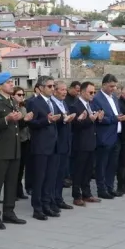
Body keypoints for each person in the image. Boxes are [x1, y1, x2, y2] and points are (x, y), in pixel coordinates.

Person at [0, 72, 30, 229]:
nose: (11, 84)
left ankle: (9, 212)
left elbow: (15, 126)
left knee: (11, 182)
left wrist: (22, 120)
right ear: (0, 86)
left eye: (12, 81)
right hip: (1, 149)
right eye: (8, 82)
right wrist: (6, 119)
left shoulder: (13, 101)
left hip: (15, 148)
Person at [26, 77, 62, 219]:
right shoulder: (34, 102)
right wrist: (47, 120)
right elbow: (32, 123)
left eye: (53, 86)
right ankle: (37, 208)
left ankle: (47, 204)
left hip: (53, 144)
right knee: (39, 177)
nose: (52, 88)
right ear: (40, 88)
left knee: (50, 177)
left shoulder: (52, 101)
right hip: (41, 145)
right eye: (49, 86)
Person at [91, 74, 125, 199]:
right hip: (104, 136)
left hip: (116, 135)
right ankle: (102, 189)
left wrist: (121, 116)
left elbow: (116, 114)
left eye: (115, 86)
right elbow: (99, 118)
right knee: (102, 164)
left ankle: (110, 187)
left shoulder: (114, 98)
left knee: (112, 164)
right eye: (111, 86)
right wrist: (115, 118)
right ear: (104, 84)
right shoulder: (97, 99)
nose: (114, 88)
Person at [70, 82, 100, 206]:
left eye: (94, 92)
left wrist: (98, 118)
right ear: (82, 92)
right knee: (79, 170)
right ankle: (77, 195)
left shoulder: (90, 105)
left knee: (88, 170)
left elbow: (91, 122)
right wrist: (90, 120)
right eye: (90, 92)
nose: (93, 94)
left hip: (91, 141)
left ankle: (87, 193)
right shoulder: (75, 106)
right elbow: (76, 125)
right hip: (80, 143)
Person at [51, 81, 76, 210]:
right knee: (54, 173)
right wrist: (63, 119)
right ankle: (52, 199)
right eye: (62, 90)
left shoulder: (63, 103)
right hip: (57, 142)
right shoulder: (52, 103)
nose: (65, 92)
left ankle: (59, 198)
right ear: (55, 91)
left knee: (61, 173)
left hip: (65, 141)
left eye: (66, 90)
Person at [13, 87, 31, 200]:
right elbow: (17, 125)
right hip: (17, 140)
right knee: (15, 168)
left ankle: (19, 191)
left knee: (21, 168)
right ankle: (13, 192)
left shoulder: (23, 107)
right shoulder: (12, 107)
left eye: (23, 94)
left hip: (25, 139)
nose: (21, 97)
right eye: (19, 94)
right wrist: (25, 120)